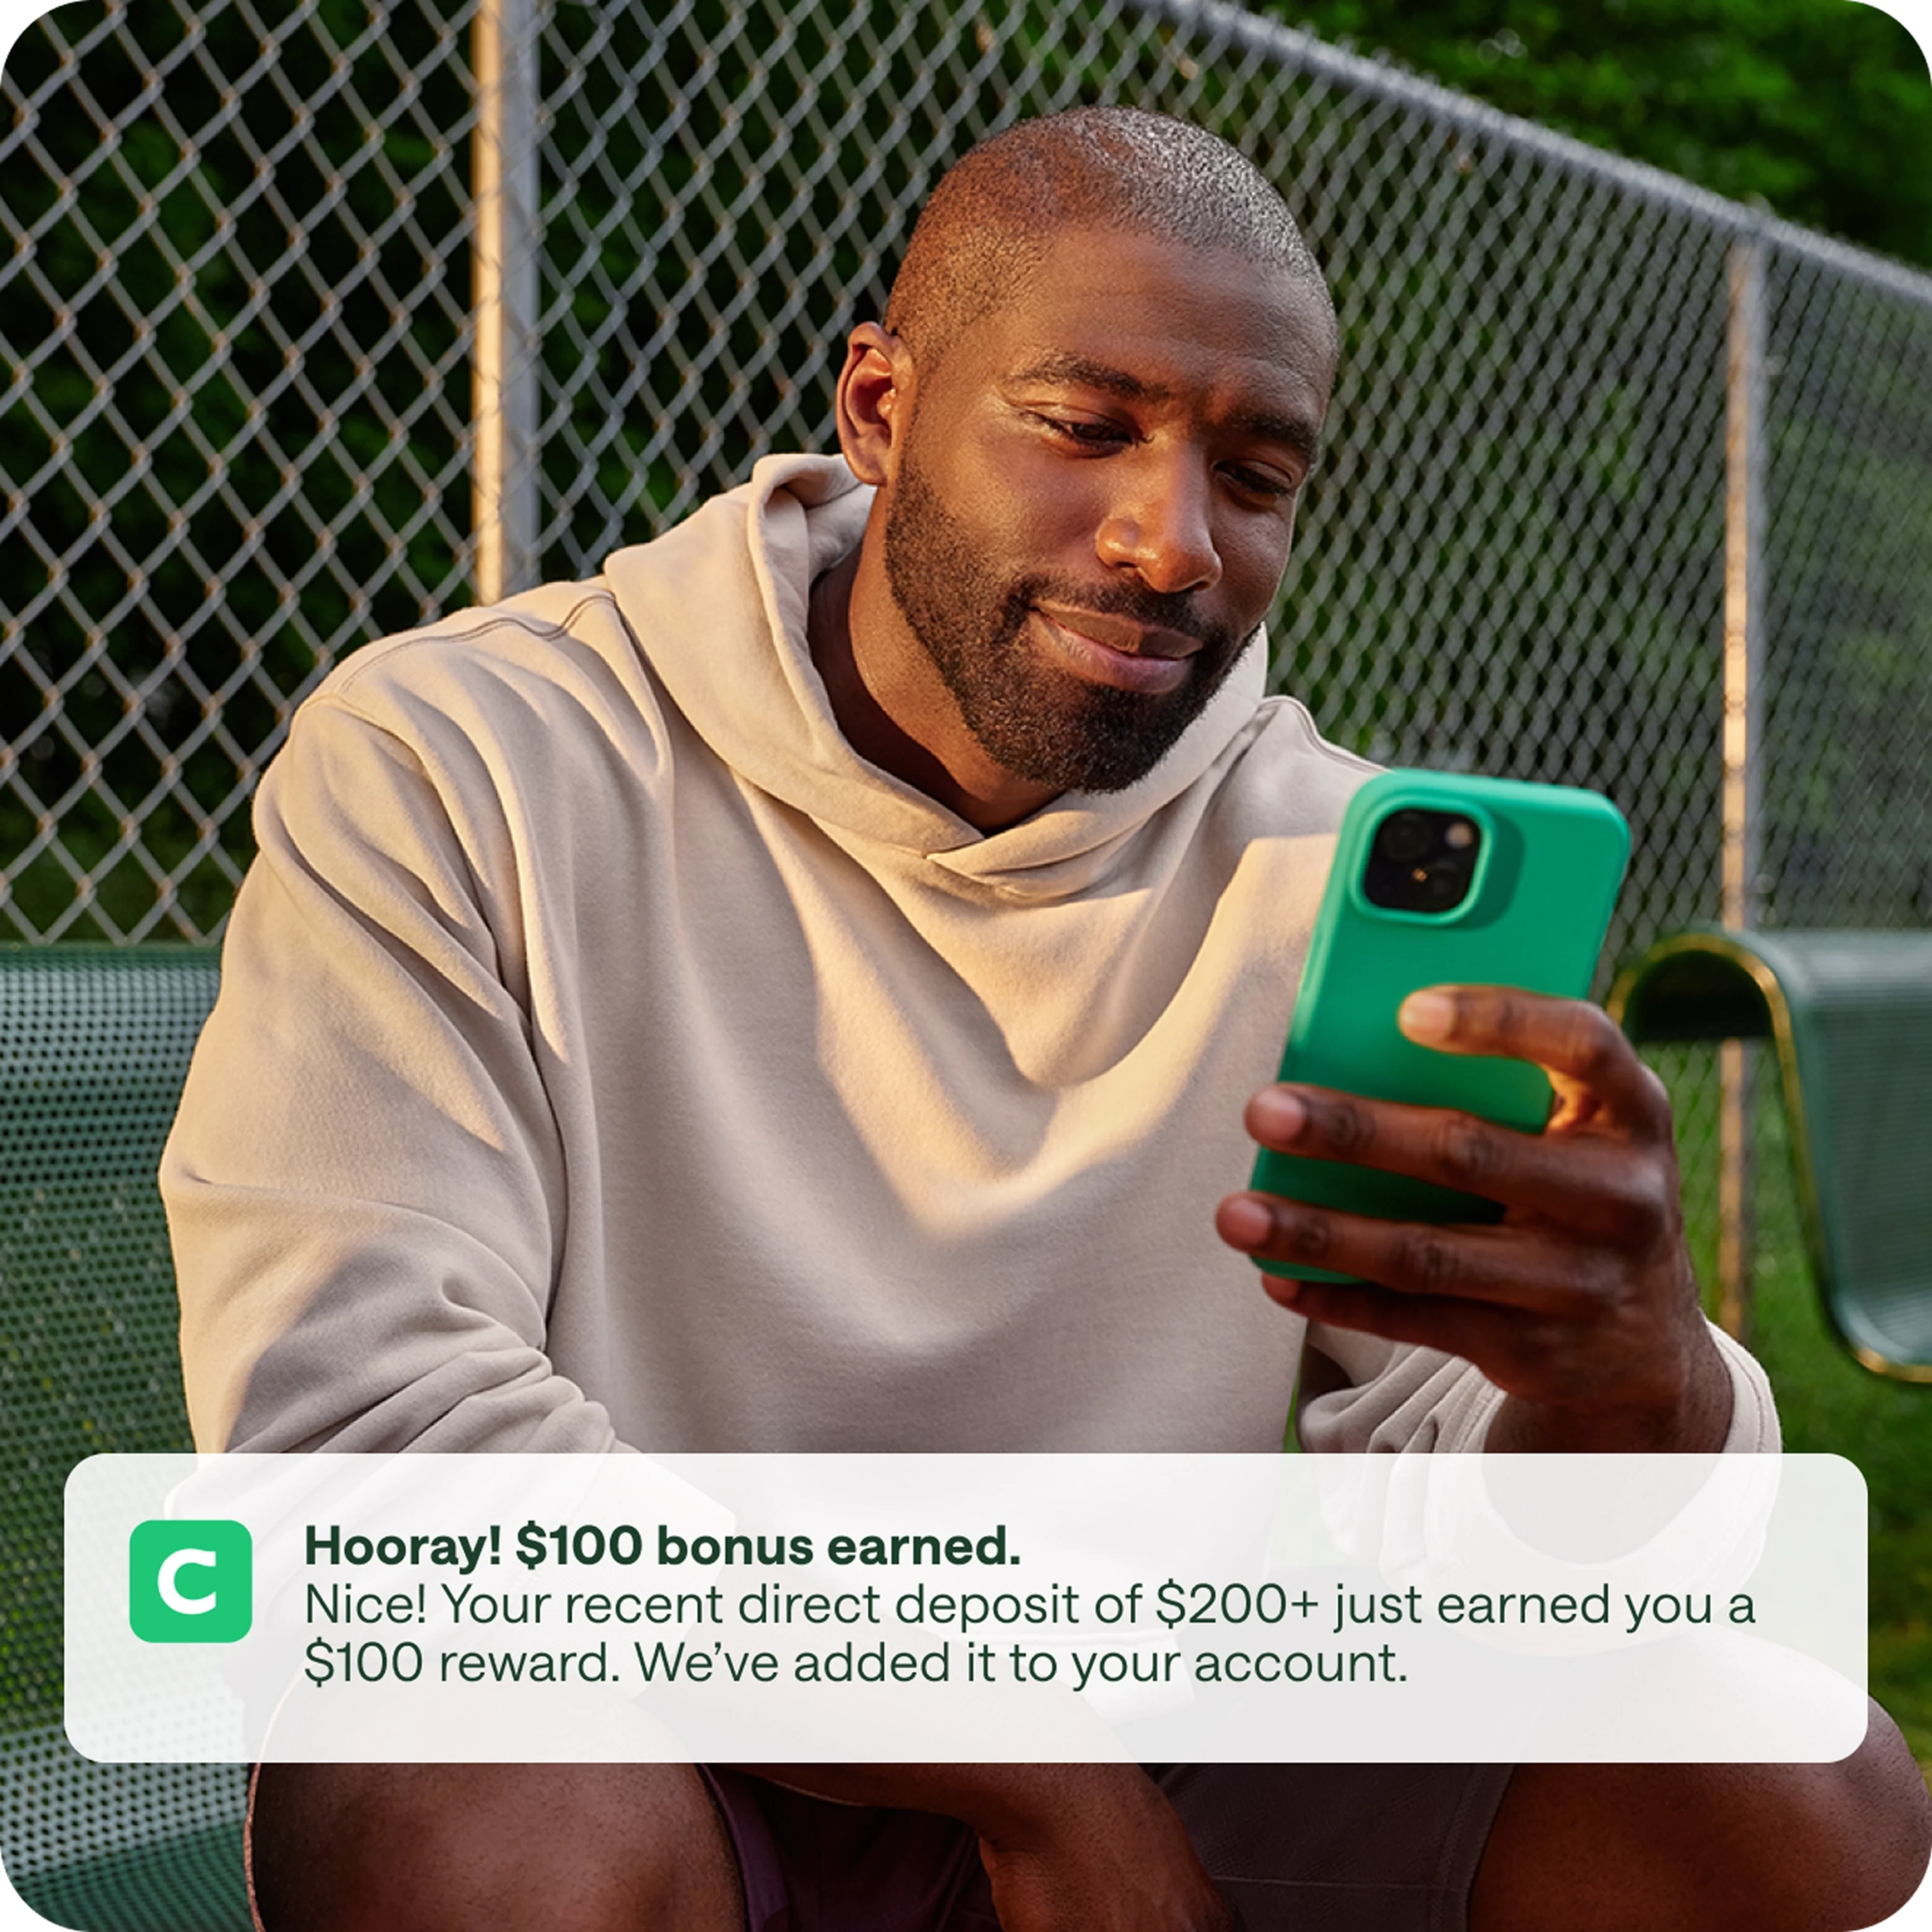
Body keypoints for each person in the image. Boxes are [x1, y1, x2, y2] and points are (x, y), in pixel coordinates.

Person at [162, 108, 1930, 1930]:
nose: (1174, 544)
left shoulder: (1335, 873)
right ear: (880, 410)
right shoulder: (469, 759)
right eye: (1086, 429)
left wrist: (1630, 1394)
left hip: (1206, 1749)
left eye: (1256, 475)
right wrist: (1026, 1758)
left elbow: (1495, 1530)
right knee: (476, 1807)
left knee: (1795, 1779)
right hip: (666, 1748)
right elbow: (367, 1430)